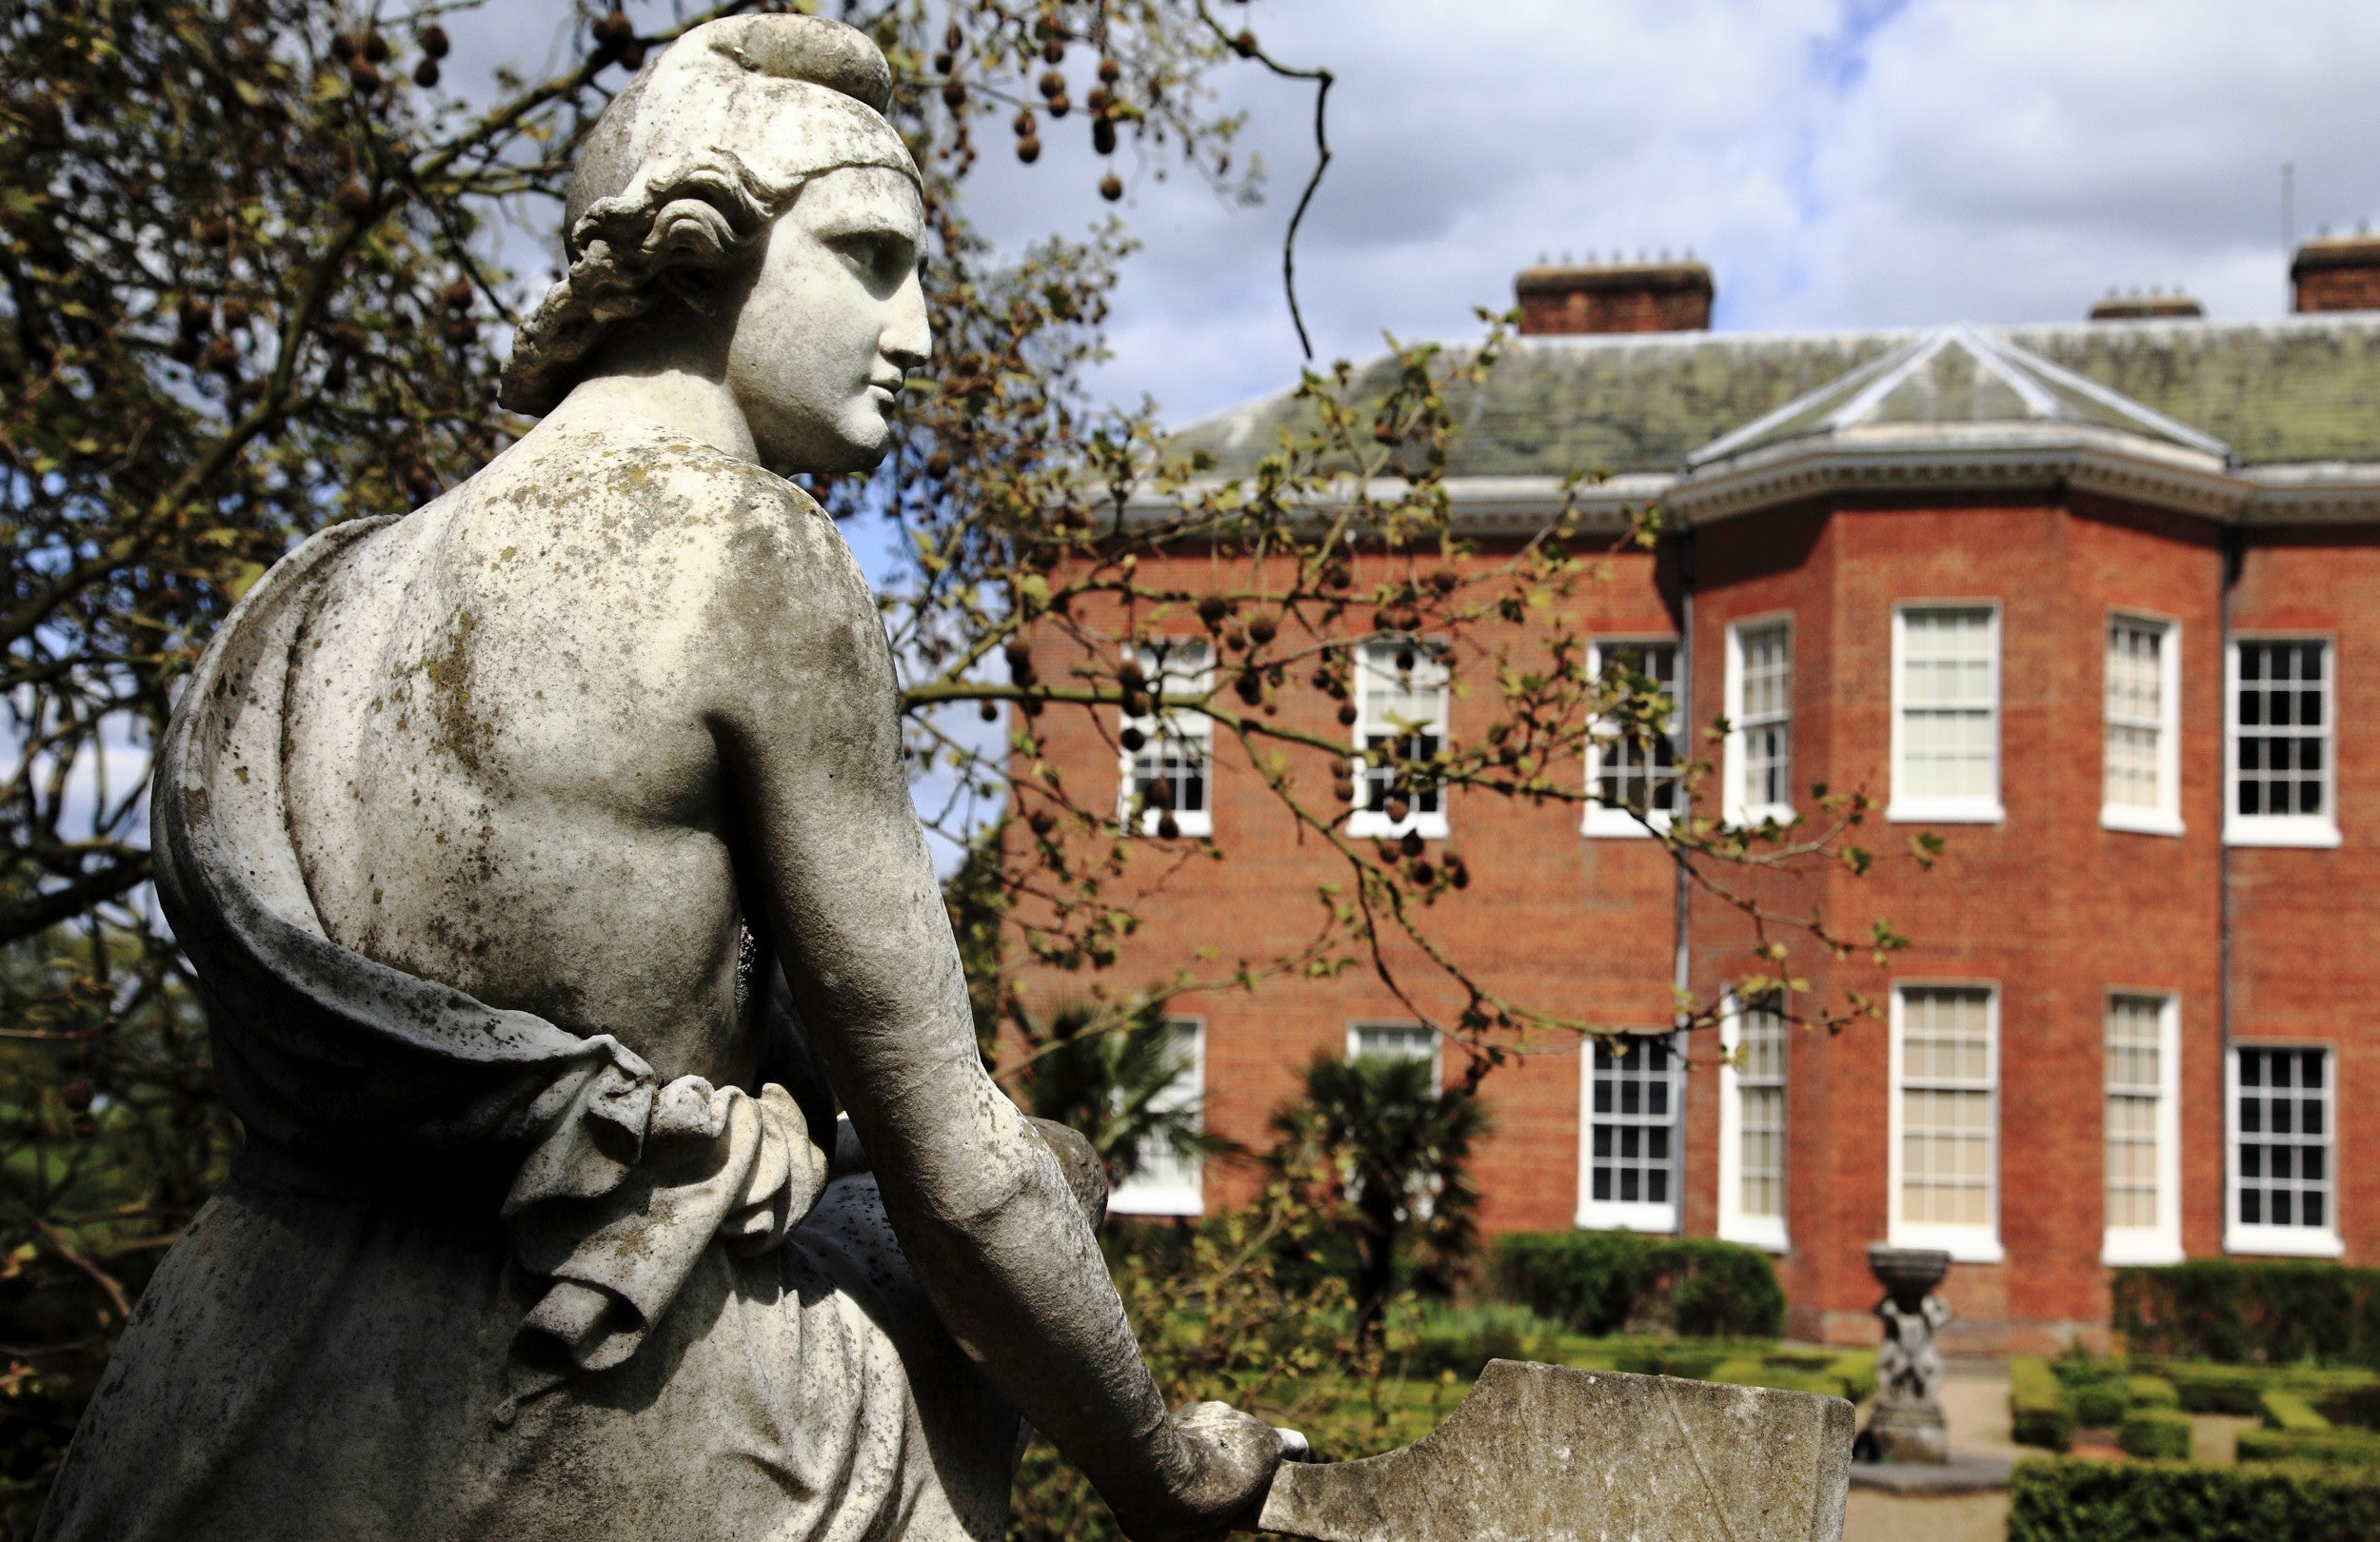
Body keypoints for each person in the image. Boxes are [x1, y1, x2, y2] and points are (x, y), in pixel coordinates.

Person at [37, 17, 1298, 1541]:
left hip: (217, 1394)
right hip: (596, 1388)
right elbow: (951, 1168)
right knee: (1022, 1196)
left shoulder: (322, 588)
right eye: (871, 259)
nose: (915, 335)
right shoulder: (745, 548)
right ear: (700, 251)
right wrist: (1160, 1462)